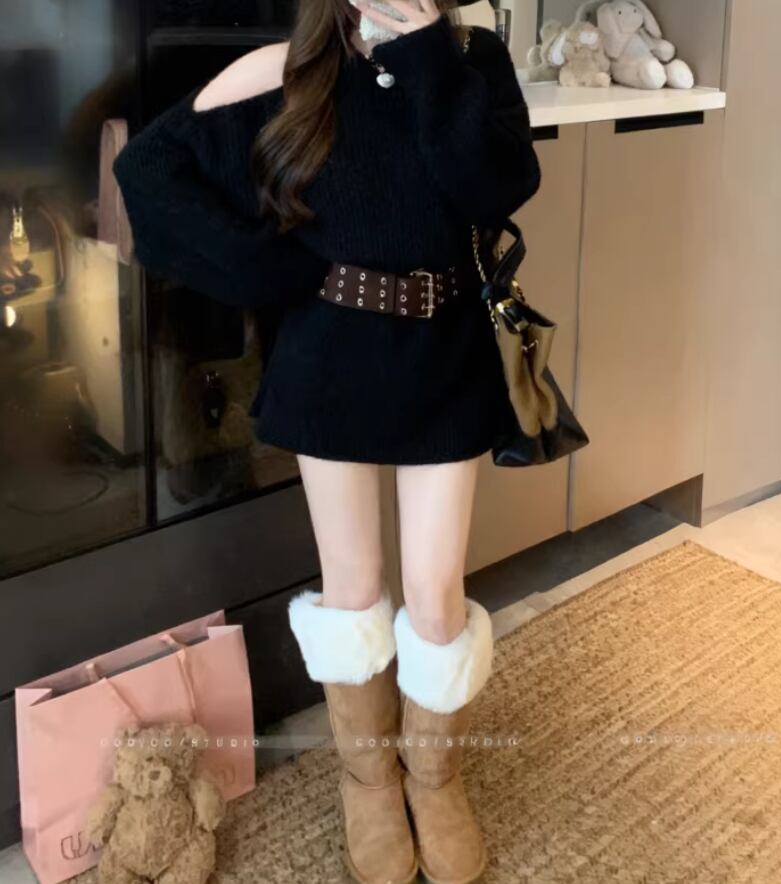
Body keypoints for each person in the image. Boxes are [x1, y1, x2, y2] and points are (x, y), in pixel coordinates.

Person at [113, 1, 541, 881]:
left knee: (435, 594)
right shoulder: (290, 68)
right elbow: (148, 168)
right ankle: (369, 783)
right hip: (330, 360)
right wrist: (271, 270)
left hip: (445, 357)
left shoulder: (472, 59)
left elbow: (494, 184)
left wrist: (426, 55)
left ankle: (434, 779)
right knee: (351, 589)